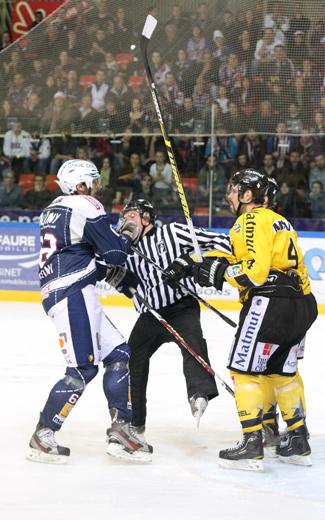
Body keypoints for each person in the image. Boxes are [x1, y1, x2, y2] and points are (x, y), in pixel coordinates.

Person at [185, 169, 318, 470]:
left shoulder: (250, 219)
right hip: (302, 303)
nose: (229, 195)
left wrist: (221, 274)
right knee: (281, 372)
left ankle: (252, 443)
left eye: (233, 190)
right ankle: (297, 439)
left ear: (247, 195)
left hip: (270, 302)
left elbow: (255, 273)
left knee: (244, 370)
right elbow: (245, 257)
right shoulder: (278, 220)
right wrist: (203, 262)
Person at [27, 160, 152, 464]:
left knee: (120, 354)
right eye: (93, 182)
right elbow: (114, 253)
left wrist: (109, 268)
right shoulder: (86, 204)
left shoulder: (54, 208)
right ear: (80, 185)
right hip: (72, 293)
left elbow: (83, 253)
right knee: (82, 369)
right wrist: (128, 235)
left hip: (70, 289)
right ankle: (43, 434)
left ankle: (121, 428)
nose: (98, 187)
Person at [100, 199, 232, 450]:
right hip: (151, 314)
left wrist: (189, 261)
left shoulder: (172, 232)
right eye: (123, 215)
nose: (125, 220)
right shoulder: (123, 249)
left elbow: (216, 242)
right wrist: (128, 289)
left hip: (182, 307)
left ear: (147, 218)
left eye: (132, 215)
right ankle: (134, 423)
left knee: (193, 345)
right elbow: (117, 279)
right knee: (132, 359)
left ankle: (199, 394)